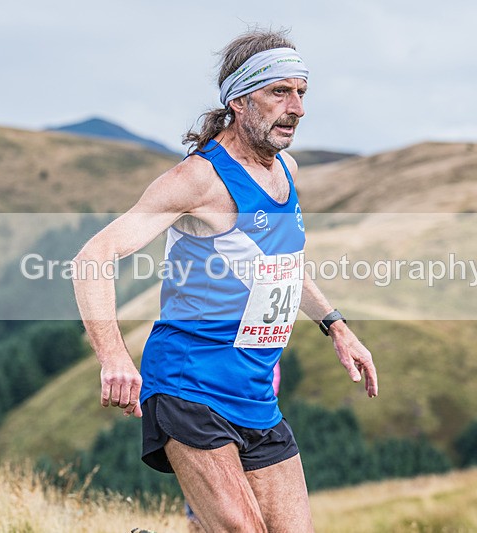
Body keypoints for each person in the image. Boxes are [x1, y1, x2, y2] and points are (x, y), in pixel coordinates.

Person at [72, 28, 378, 532]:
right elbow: (93, 256)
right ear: (238, 100)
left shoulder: (286, 170)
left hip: (255, 392)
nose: (297, 107)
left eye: (302, 92)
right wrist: (112, 357)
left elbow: (279, 267)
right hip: (190, 383)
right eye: (279, 92)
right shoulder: (199, 179)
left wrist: (336, 325)